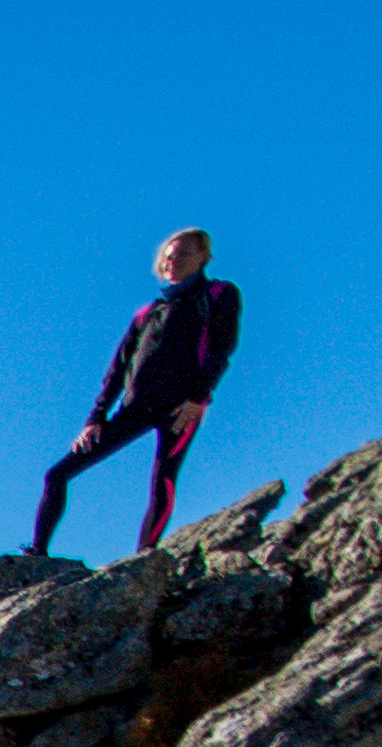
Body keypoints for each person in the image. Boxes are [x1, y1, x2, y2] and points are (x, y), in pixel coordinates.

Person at [34, 229, 244, 558]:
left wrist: (199, 397)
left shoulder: (219, 294)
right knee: (57, 474)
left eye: (184, 255)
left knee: (163, 481)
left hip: (181, 407)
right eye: (170, 255)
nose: (174, 261)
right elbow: (117, 369)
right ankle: (37, 554)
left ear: (204, 258)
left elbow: (222, 348)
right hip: (135, 408)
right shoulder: (147, 313)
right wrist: (95, 419)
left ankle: (144, 558)